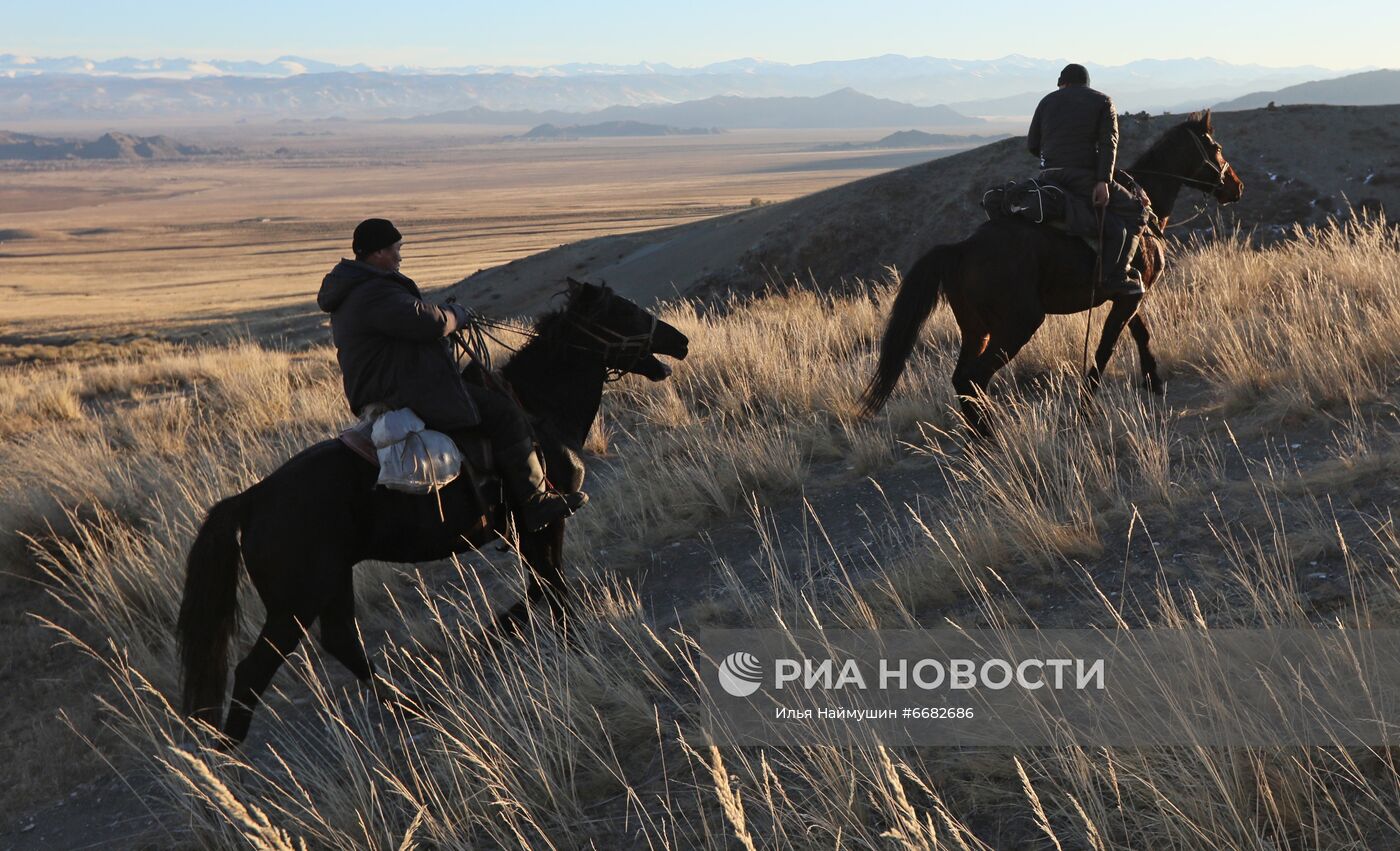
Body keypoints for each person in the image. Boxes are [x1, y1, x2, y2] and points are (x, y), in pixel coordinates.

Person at [317, 217, 587, 532]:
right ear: (377, 253)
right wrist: (457, 316)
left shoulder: (358, 288)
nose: (399, 257)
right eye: (395, 249)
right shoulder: (373, 291)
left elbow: (411, 319)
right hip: (403, 389)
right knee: (504, 413)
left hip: (390, 384)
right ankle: (535, 502)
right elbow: (427, 323)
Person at [1027, 63, 1150, 298]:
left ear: (1063, 83)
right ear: (1086, 83)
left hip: (1048, 176)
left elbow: (1033, 144)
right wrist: (1102, 180)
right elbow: (1108, 144)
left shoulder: (1046, 101)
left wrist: (1054, 161)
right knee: (1138, 211)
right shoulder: (1103, 101)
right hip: (1083, 176)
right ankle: (1117, 275)